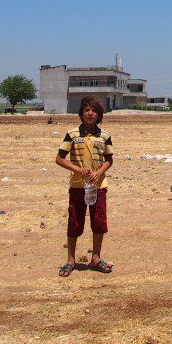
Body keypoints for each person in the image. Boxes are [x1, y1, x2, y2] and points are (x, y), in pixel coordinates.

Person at [56, 96, 114, 277]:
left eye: (94, 110)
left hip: (98, 186)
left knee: (98, 222)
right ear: (81, 113)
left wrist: (99, 172)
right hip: (77, 186)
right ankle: (70, 260)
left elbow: (109, 160)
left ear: (99, 115)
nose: (90, 113)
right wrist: (77, 169)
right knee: (74, 221)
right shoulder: (72, 134)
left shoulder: (105, 136)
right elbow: (59, 158)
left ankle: (96, 258)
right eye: (86, 110)